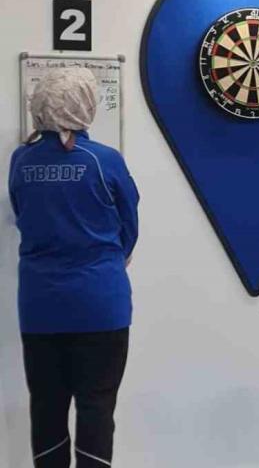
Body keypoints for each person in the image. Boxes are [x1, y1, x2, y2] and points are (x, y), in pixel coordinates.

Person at [8, 68, 140, 468]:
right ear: (86, 105)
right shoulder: (105, 160)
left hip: (40, 306)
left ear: (39, 106)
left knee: (46, 408)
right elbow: (129, 228)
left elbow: (21, 212)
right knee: (96, 408)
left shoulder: (21, 160)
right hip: (101, 304)